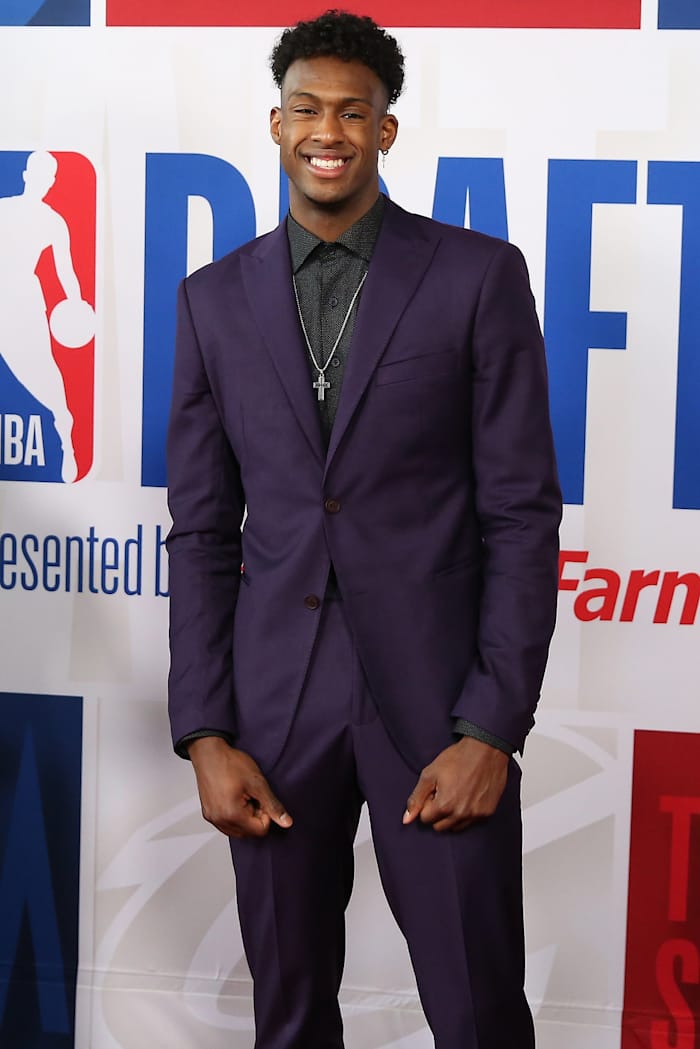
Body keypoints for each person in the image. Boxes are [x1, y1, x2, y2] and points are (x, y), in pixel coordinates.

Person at [167, 10, 561, 1048]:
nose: (325, 130)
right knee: (287, 1017)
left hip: (436, 708)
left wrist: (490, 729)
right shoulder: (211, 301)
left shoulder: (477, 276)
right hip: (271, 712)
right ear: (275, 122)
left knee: (476, 1012)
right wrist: (206, 731)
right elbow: (202, 530)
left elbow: (520, 512)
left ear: (385, 130)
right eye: (305, 108)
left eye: (351, 110)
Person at [0, 150, 86, 483]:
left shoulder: (53, 221)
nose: (43, 182)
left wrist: (76, 303)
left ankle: (65, 431)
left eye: (48, 177)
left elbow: (66, 271)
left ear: (51, 182)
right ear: (26, 176)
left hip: (23, 300)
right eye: (37, 174)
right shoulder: (4, 208)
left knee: (45, 374)